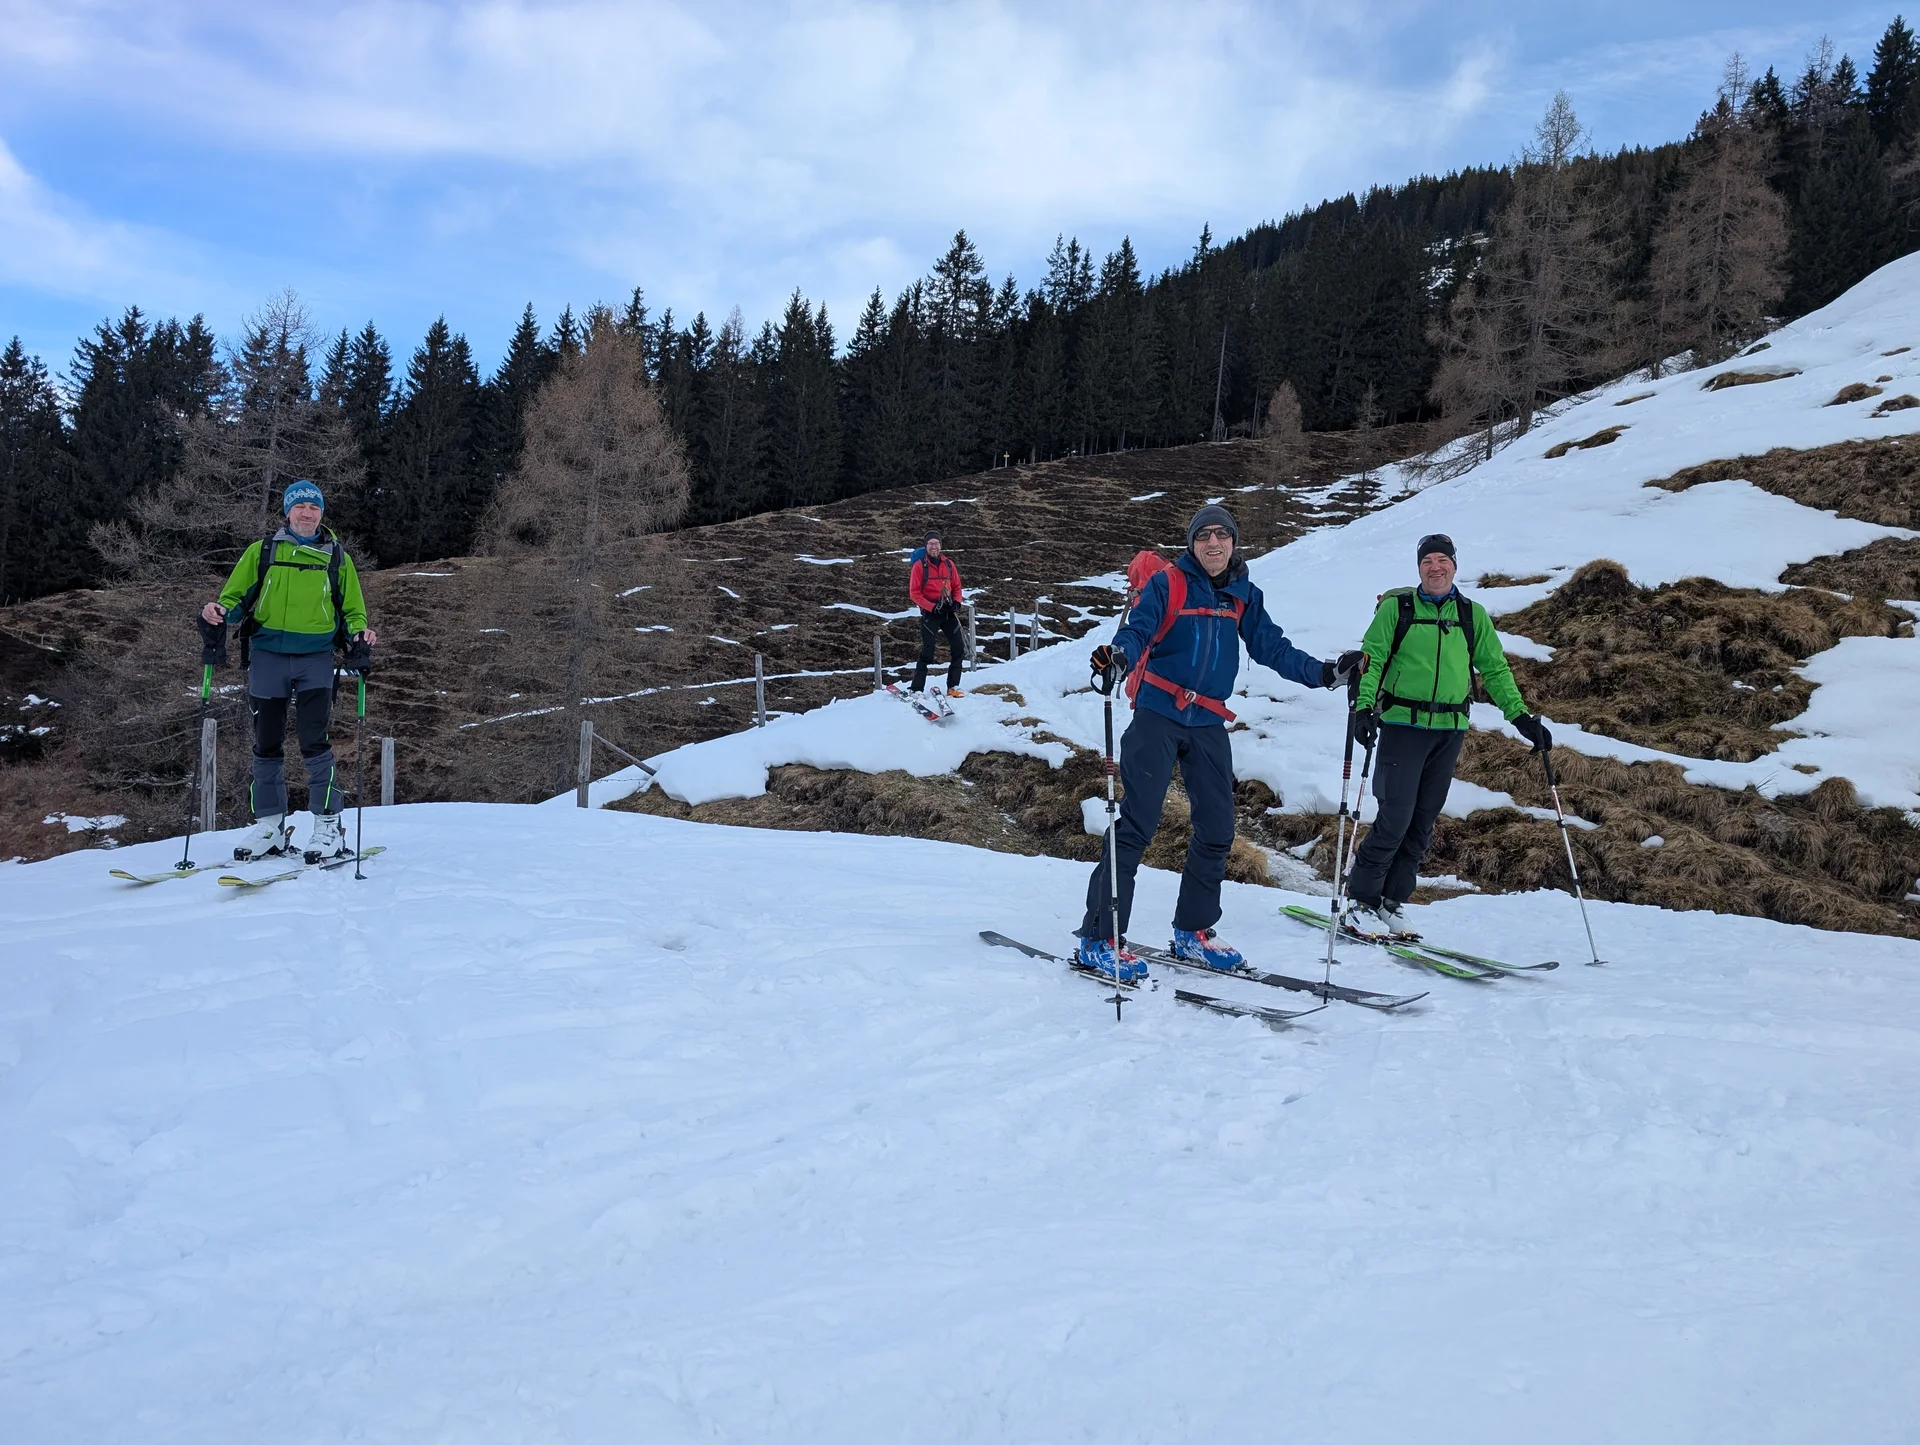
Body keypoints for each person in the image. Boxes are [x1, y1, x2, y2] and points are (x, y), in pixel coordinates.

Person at [1076, 505, 1362, 981]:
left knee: (1217, 828)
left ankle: (1194, 930)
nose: (1213, 543)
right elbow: (1136, 629)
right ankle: (1099, 938)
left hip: (1207, 722)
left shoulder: (1243, 595)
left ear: (1233, 542)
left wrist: (1326, 673)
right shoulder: (1169, 584)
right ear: (1192, 543)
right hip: (1157, 715)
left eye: (1222, 535)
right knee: (1136, 826)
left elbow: (1274, 648)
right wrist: (1119, 658)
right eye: (1203, 535)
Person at [1345, 532, 1551, 930]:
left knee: (1422, 823)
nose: (1435, 568)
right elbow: (1372, 659)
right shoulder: (1396, 609)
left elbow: (1494, 669)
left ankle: (1392, 901)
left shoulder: (1472, 616)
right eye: (1427, 561)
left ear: (1455, 566)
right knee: (1395, 819)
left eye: (1443, 560)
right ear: (1418, 567)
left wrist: (1521, 717)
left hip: (1449, 730)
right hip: (1403, 726)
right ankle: (1362, 901)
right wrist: (1364, 709)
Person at [200, 479, 377, 861]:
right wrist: (218, 612)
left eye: (314, 507)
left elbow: (353, 611)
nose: (307, 512)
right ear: (287, 511)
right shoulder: (261, 551)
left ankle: (329, 826)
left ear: (321, 513)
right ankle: (270, 826)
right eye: (300, 506)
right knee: (266, 743)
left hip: (316, 658)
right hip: (267, 657)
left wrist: (361, 634)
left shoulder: (337, 558)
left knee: (314, 740)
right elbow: (233, 598)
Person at [908, 529, 966, 698]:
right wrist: (932, 607)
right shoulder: (919, 566)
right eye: (930, 543)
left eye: (936, 543)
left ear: (940, 545)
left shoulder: (949, 564)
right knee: (928, 650)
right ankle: (916, 689)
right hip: (930, 614)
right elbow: (914, 593)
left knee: (958, 648)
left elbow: (956, 586)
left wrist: (957, 602)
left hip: (948, 612)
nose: (934, 546)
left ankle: (953, 686)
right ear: (926, 546)